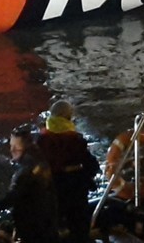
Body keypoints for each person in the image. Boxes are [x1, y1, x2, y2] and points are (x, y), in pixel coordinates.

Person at [37, 101, 100, 243]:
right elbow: (92, 166)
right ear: (68, 117)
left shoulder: (42, 140)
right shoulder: (75, 140)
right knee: (79, 228)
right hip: (75, 189)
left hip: (51, 191)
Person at [0, 126, 59, 243]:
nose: (12, 150)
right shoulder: (40, 159)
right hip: (48, 220)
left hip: (33, 225)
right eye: (11, 146)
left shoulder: (25, 169)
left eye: (16, 147)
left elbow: (12, 196)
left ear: (26, 147)